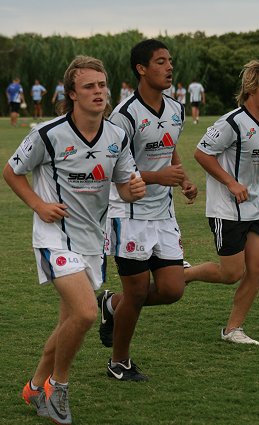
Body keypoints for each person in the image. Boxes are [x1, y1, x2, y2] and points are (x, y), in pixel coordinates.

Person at [3, 55, 145, 424]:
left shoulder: (117, 135)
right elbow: (12, 171)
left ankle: (34, 387)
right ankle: (58, 389)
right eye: (89, 86)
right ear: (72, 94)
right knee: (84, 312)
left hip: (92, 243)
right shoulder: (48, 134)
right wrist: (39, 204)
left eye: (102, 85)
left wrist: (135, 189)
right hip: (54, 238)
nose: (98, 92)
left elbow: (125, 189)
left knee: (70, 322)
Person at [98, 39, 197, 381]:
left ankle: (110, 306)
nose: (169, 67)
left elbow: (169, 148)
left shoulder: (176, 109)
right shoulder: (123, 116)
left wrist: (181, 178)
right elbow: (111, 171)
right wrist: (158, 176)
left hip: (163, 213)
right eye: (160, 62)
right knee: (137, 292)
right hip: (128, 214)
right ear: (141, 69)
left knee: (172, 290)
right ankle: (119, 362)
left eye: (170, 61)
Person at [185, 60, 259, 345]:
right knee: (231, 273)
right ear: (251, 89)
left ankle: (233, 329)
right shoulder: (231, 122)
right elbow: (201, 154)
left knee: (258, 267)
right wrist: (230, 182)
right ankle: (184, 273)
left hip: (256, 207)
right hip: (227, 209)